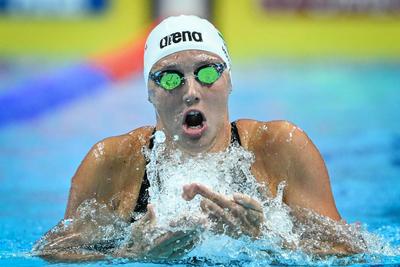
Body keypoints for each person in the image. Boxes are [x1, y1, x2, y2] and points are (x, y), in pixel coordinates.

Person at [33, 15, 364, 261]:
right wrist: (131, 254)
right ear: (150, 91)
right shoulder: (112, 162)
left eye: (207, 72)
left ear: (229, 80)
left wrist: (268, 239)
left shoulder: (280, 147)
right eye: (171, 78)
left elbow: (351, 254)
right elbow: (50, 254)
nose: (191, 92)